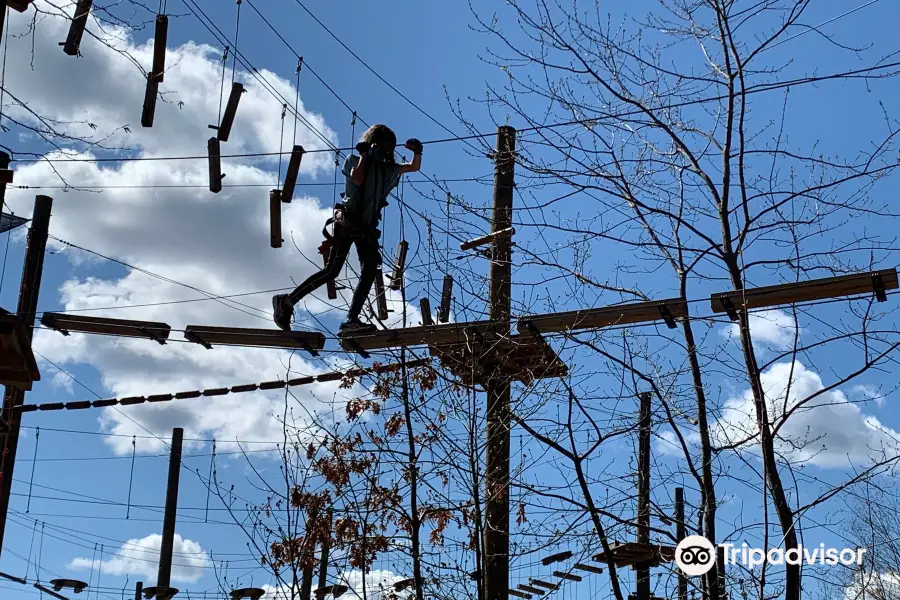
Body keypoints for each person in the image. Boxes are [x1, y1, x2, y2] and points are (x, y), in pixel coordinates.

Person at [272, 124, 423, 334]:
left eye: (389, 148)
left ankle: (351, 319)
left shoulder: (387, 169)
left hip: (367, 228)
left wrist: (417, 152)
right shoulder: (354, 160)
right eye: (383, 146)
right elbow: (358, 178)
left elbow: (413, 167)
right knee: (332, 271)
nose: (387, 152)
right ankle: (287, 302)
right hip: (349, 223)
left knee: (370, 267)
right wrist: (364, 155)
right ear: (373, 144)